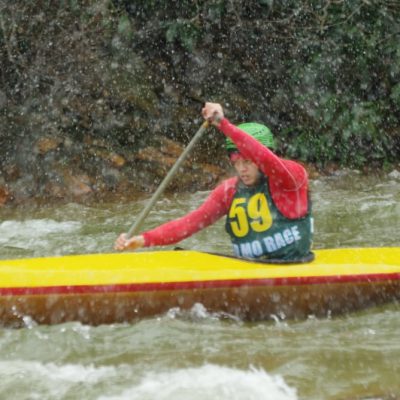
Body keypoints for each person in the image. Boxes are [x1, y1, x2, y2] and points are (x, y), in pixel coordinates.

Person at [114, 102, 313, 261]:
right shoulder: (229, 191)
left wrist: (223, 124)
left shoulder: (291, 178)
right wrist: (142, 240)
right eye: (236, 163)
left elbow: (265, 157)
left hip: (291, 267)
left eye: (247, 162)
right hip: (247, 271)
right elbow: (189, 224)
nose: (241, 169)